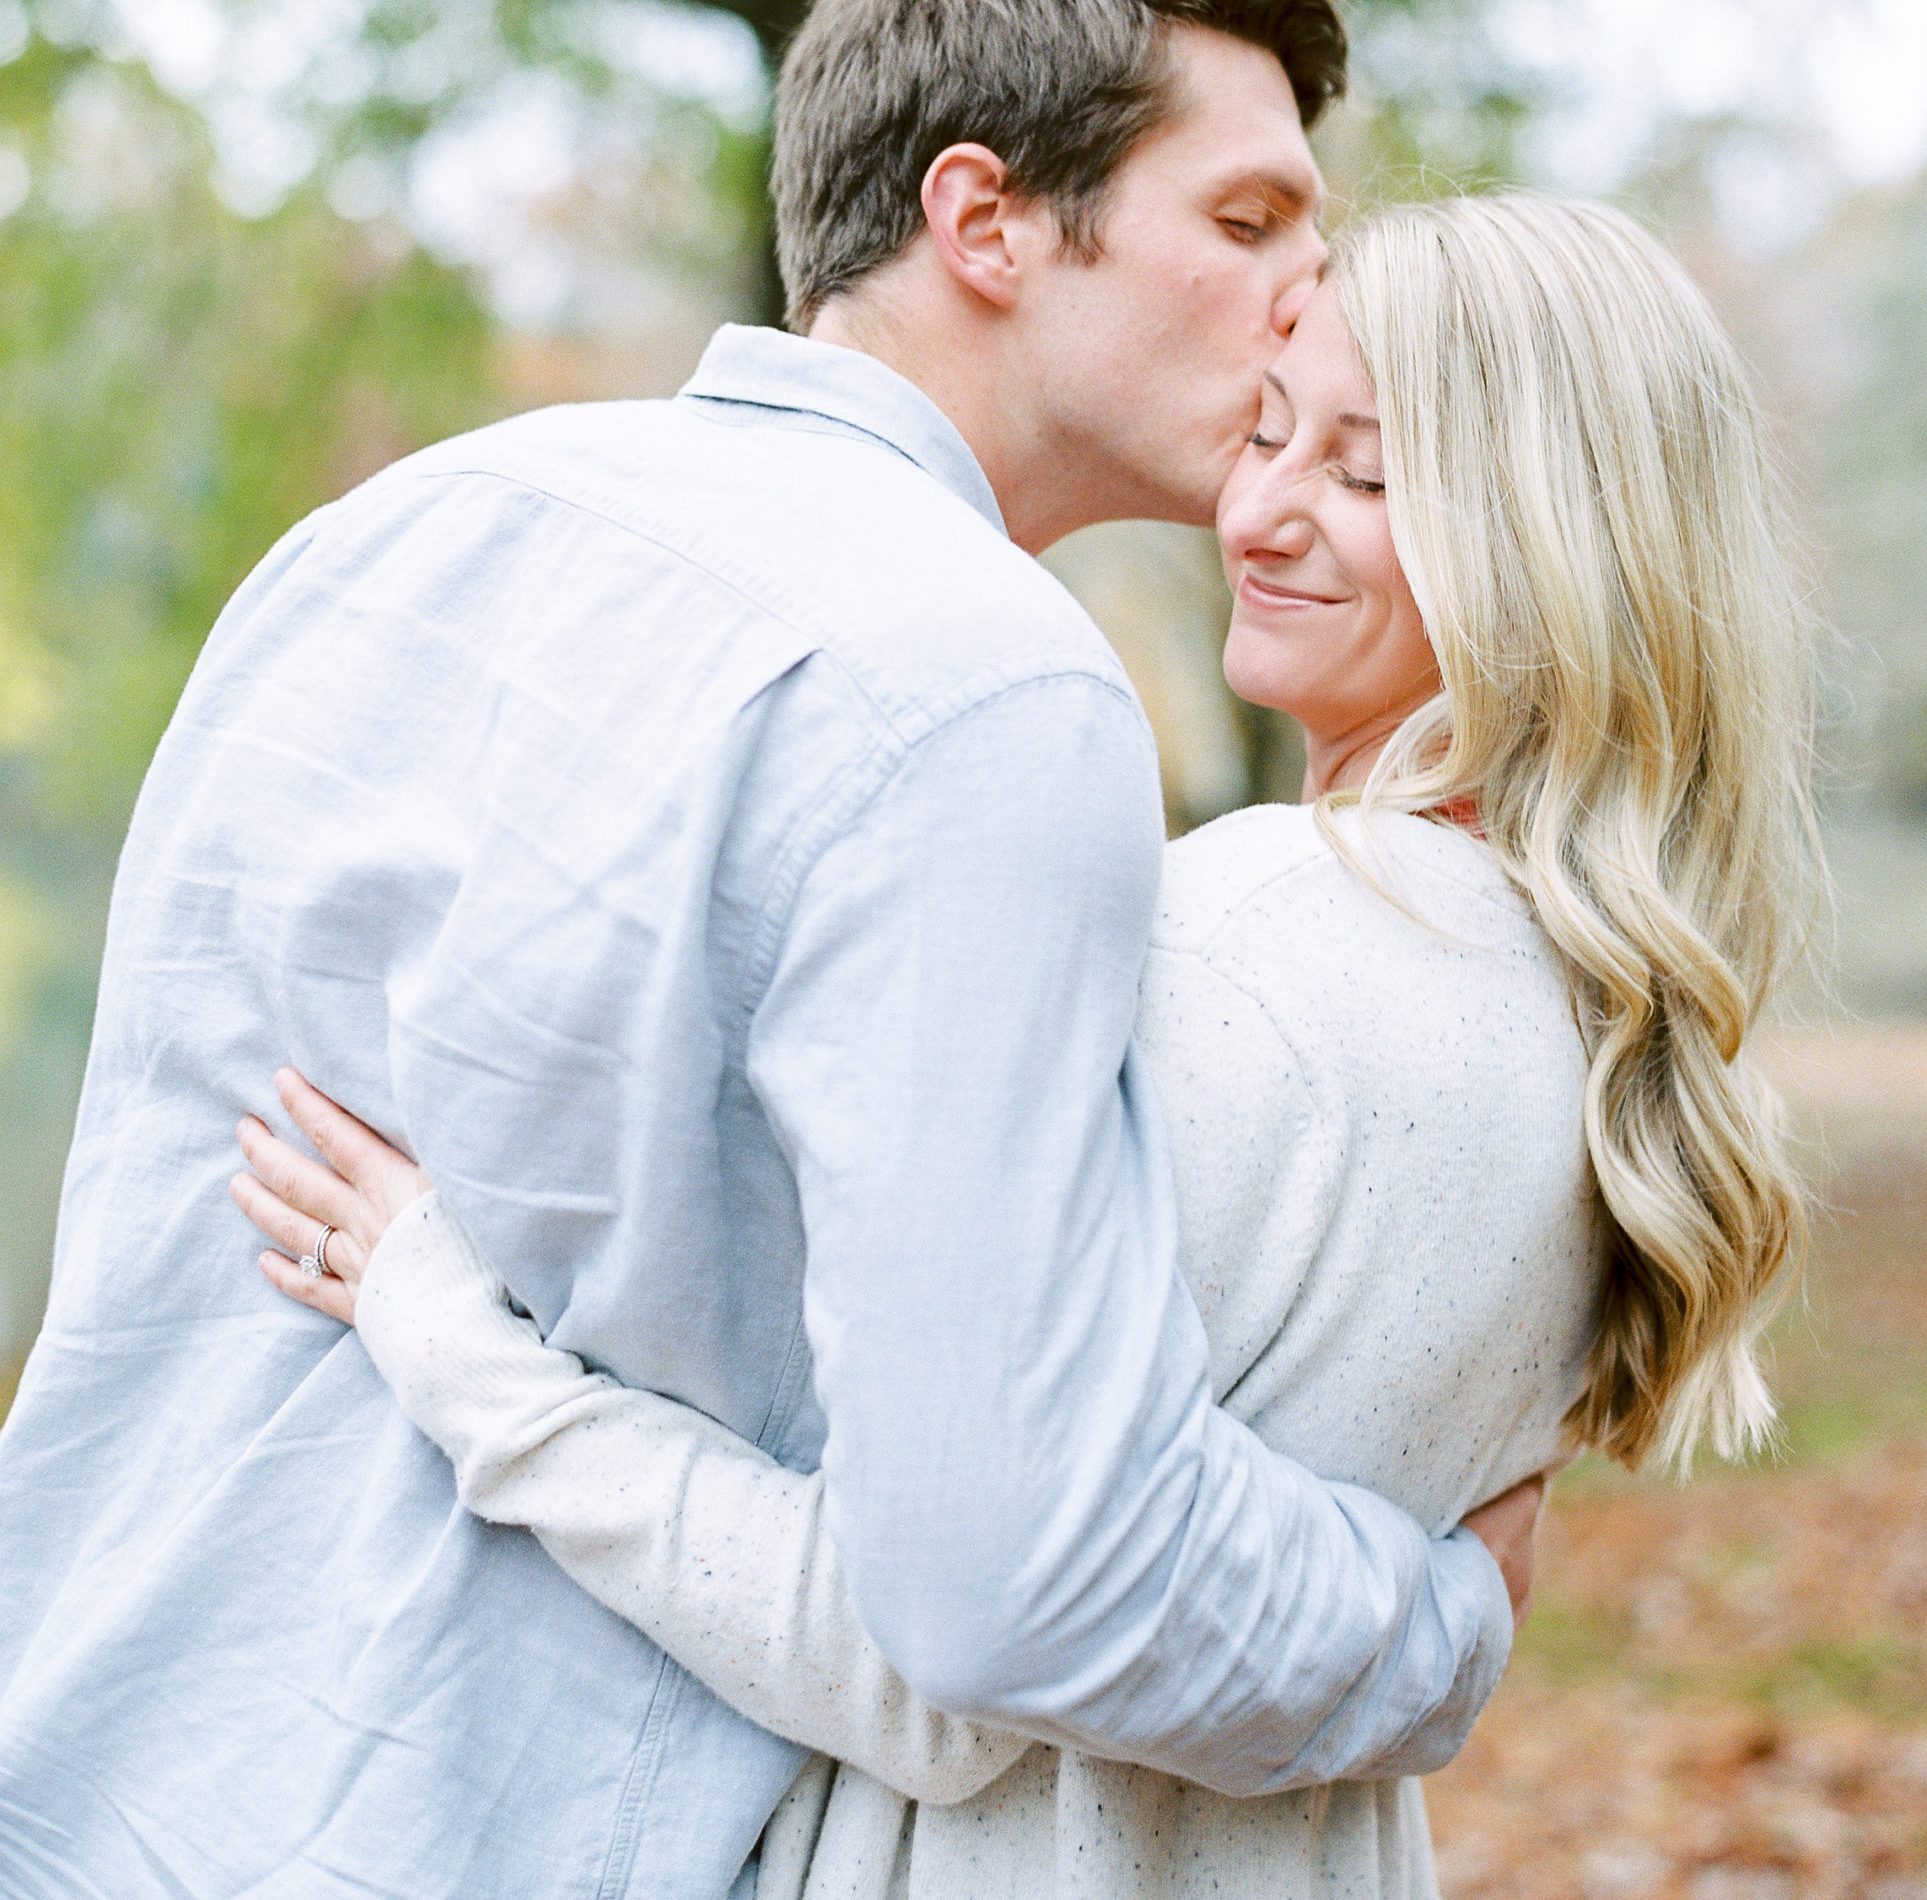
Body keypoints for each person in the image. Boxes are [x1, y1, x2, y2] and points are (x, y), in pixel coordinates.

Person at [0, 0, 1538, 1900]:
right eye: (1247, 224)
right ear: (982, 218)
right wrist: (1429, 1621)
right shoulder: (985, 680)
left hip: (89, 1770)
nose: (1300, 305)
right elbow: (1019, 1574)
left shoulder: (374, 536)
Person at [232, 193, 1816, 1900]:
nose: (1266, 512)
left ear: (1554, 538)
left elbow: (931, 1658)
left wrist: (462, 1349)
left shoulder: (1242, 949)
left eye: (1366, 475)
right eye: (1269, 434)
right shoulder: (1587, 1019)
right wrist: (1427, 1632)